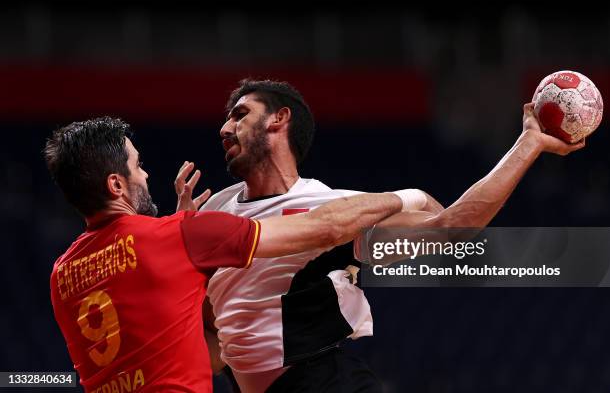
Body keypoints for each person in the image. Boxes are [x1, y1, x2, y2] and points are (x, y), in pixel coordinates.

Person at [182, 79, 584, 393]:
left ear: (278, 119)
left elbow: (452, 228)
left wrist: (528, 144)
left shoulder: (337, 209)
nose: (224, 128)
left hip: (326, 385)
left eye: (239, 115)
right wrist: (181, 246)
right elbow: (213, 331)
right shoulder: (216, 208)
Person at [45, 116, 424, 392]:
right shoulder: (178, 235)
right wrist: (409, 197)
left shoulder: (61, 275)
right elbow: (323, 228)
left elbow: (200, 350)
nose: (145, 175)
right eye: (137, 166)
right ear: (116, 184)